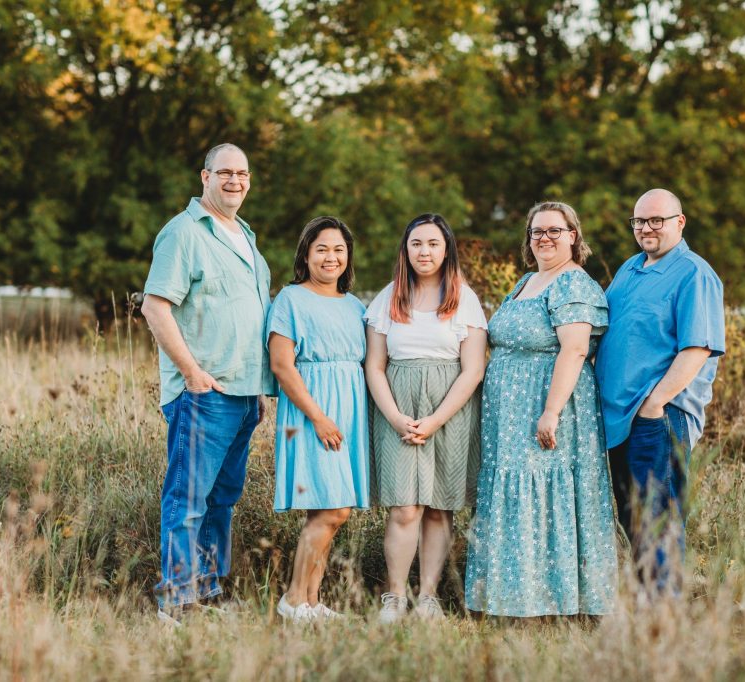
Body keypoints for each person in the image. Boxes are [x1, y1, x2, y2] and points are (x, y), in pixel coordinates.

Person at [141, 143, 274, 624]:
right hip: (202, 395)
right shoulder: (183, 234)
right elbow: (155, 307)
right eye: (224, 173)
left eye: (242, 173)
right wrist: (193, 374)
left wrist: (259, 386)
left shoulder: (245, 236)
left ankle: (209, 591)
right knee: (188, 500)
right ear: (205, 177)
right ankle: (175, 602)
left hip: (243, 396)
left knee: (222, 501)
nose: (234, 181)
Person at [465, 201, 617, 617]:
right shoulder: (527, 281)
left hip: (549, 405)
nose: (544, 238)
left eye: (554, 230)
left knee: (546, 493)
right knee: (514, 491)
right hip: (509, 414)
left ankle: (556, 599)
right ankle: (514, 597)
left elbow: (575, 348)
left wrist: (551, 411)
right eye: (537, 232)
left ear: (573, 235)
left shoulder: (572, 284)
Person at [595, 188, 725, 596]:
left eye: (657, 220)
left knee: (659, 517)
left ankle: (663, 615)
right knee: (633, 517)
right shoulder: (630, 269)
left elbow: (698, 347)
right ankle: (646, 606)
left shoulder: (693, 272)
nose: (646, 228)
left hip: (658, 419)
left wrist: (655, 404)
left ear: (679, 222)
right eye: (639, 221)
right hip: (619, 419)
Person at [364, 214, 488, 623]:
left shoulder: (464, 299)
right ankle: (395, 596)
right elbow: (375, 366)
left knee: (439, 507)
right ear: (405, 249)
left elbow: (472, 369)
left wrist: (435, 419)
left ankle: (430, 595)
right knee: (404, 508)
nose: (424, 252)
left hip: (449, 409)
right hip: (396, 406)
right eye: (416, 243)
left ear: (446, 249)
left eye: (433, 244)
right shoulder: (388, 297)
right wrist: (397, 417)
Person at [268, 216, 369, 622]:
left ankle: (311, 600)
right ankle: (293, 600)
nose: (331, 257)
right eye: (322, 249)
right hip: (312, 411)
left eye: (339, 249)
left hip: (349, 412)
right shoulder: (290, 300)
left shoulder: (355, 305)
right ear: (306, 254)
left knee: (326, 509)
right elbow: (281, 365)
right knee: (334, 510)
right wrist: (319, 418)